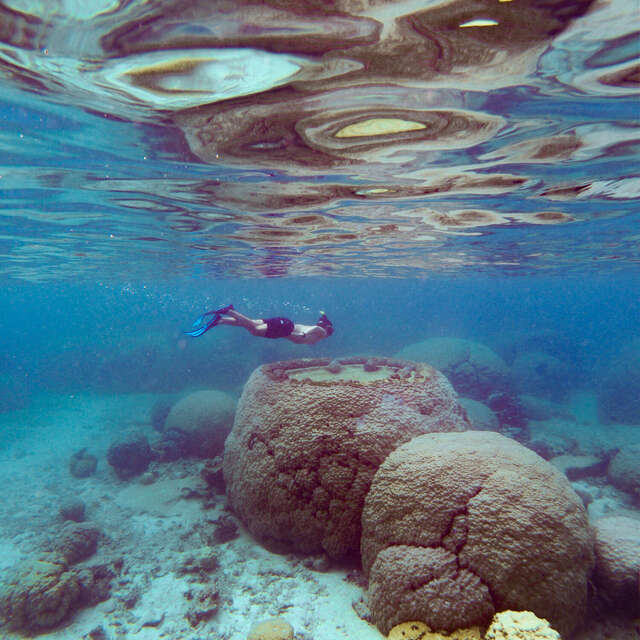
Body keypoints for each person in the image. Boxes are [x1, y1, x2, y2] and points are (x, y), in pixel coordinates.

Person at [185, 305, 333, 345]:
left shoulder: (317, 334)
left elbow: (316, 326)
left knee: (252, 323)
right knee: (254, 330)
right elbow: (317, 328)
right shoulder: (322, 333)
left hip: (284, 325)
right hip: (285, 327)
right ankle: (230, 311)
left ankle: (220, 320)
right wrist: (303, 335)